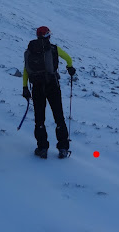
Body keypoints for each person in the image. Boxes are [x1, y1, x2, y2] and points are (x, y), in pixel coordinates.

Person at [22, 26, 76, 159]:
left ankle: (42, 148)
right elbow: (68, 59)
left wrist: (25, 87)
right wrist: (70, 68)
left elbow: (26, 70)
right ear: (47, 36)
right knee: (58, 116)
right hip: (52, 85)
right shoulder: (53, 49)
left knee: (39, 118)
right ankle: (63, 147)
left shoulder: (30, 50)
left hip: (36, 87)